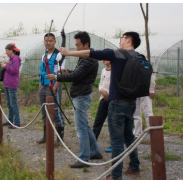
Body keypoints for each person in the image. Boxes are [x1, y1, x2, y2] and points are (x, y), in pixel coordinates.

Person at [60, 31, 142, 180]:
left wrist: (69, 52)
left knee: (117, 142)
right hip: (131, 102)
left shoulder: (117, 54)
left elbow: (93, 53)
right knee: (129, 137)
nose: (120, 41)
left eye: (122, 38)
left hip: (117, 103)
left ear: (129, 40)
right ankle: (134, 167)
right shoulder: (138, 57)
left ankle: (116, 175)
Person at [47, 31, 102, 168]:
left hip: (82, 96)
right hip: (81, 95)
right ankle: (94, 152)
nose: (76, 48)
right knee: (85, 125)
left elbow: (76, 76)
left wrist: (57, 77)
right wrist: (67, 72)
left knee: (81, 128)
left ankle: (84, 158)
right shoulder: (85, 58)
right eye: (75, 45)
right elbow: (77, 74)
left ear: (86, 44)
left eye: (78, 45)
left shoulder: (89, 59)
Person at [37, 33, 65, 145]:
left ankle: (60, 137)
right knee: (44, 111)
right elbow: (42, 72)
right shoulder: (43, 56)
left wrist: (55, 87)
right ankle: (46, 135)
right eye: (46, 41)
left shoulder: (58, 55)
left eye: (50, 41)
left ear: (54, 41)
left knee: (56, 111)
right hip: (43, 86)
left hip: (53, 87)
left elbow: (62, 74)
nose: (48, 43)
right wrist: (40, 85)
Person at [92, 58, 113, 153]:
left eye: (105, 58)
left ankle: (113, 145)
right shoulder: (103, 70)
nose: (103, 60)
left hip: (112, 99)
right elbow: (100, 84)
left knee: (112, 122)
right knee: (98, 121)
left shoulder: (116, 70)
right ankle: (92, 143)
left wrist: (108, 93)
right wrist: (102, 91)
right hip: (103, 98)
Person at [0, 43, 22, 129]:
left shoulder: (15, 59)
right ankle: (10, 120)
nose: (6, 52)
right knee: (9, 103)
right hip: (7, 83)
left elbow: (15, 70)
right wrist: (6, 65)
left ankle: (17, 122)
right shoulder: (10, 59)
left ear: (11, 50)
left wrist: (5, 66)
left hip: (12, 83)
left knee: (13, 103)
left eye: (7, 50)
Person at [133, 72, 156, 138]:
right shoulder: (132, 63)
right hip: (135, 90)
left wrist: (151, 89)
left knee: (148, 112)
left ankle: (152, 133)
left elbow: (150, 76)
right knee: (136, 113)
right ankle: (137, 134)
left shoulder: (145, 63)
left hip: (145, 91)